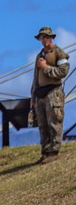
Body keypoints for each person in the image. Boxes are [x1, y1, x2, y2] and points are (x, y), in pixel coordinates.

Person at [30, 26, 70, 164]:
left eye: (46, 36)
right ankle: (45, 151)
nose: (44, 39)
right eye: (42, 37)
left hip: (54, 91)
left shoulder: (58, 53)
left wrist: (46, 67)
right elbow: (35, 78)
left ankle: (54, 150)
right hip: (40, 93)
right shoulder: (39, 55)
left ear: (51, 37)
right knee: (42, 123)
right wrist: (33, 97)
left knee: (54, 121)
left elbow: (63, 72)